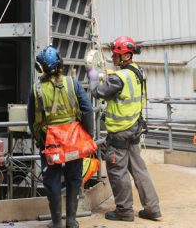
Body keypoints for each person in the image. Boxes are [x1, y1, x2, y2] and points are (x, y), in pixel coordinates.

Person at [91, 36, 162, 222]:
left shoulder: (118, 77)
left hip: (120, 132)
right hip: (134, 128)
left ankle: (124, 211)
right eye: (114, 54)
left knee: (117, 171)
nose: (113, 57)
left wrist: (93, 76)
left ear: (127, 55)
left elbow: (98, 92)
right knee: (139, 170)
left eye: (117, 55)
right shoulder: (138, 71)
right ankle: (153, 209)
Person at [28, 46, 93, 228]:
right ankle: (71, 221)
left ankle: (57, 223)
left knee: (52, 180)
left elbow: (31, 119)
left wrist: (39, 140)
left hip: (50, 142)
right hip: (73, 141)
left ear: (39, 68)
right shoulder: (73, 83)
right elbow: (87, 110)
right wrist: (88, 135)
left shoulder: (36, 89)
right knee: (74, 178)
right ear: (60, 64)